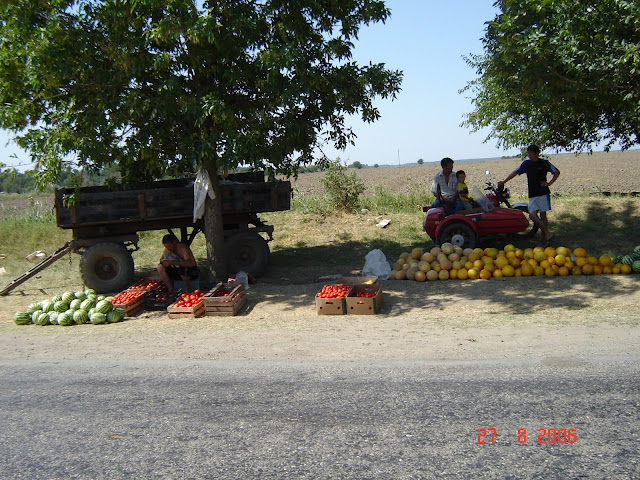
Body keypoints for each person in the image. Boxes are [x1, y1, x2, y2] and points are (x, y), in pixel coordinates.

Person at [498, 145, 560, 245]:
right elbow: (515, 172)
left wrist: (549, 183)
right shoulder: (526, 164)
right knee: (532, 215)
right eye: (528, 153)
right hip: (532, 194)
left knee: (543, 215)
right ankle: (547, 234)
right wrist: (504, 181)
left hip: (543, 193)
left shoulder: (544, 163)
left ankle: (543, 238)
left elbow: (556, 172)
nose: (529, 155)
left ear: (536, 153)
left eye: (531, 153)